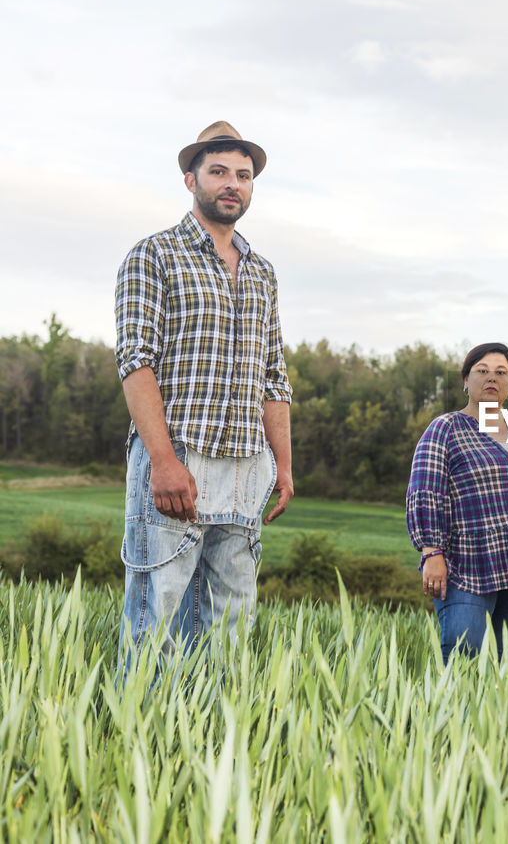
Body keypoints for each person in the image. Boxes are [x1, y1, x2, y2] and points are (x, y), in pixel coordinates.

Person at [115, 121, 293, 668]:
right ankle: (138, 739)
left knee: (231, 622)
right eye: (218, 172)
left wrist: (282, 466)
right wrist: (163, 462)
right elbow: (135, 361)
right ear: (190, 178)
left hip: (247, 466)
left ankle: (211, 741)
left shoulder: (262, 272)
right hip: (181, 456)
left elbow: (274, 376)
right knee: (157, 613)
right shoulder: (155, 255)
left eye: (243, 175)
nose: (232, 184)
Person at [407, 343, 508, 661]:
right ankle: (452, 712)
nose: (492, 378)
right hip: (468, 563)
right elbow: (424, 493)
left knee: (501, 660)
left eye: (502, 372)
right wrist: (431, 551)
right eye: (482, 371)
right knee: (465, 653)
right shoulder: (445, 429)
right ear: (465, 380)